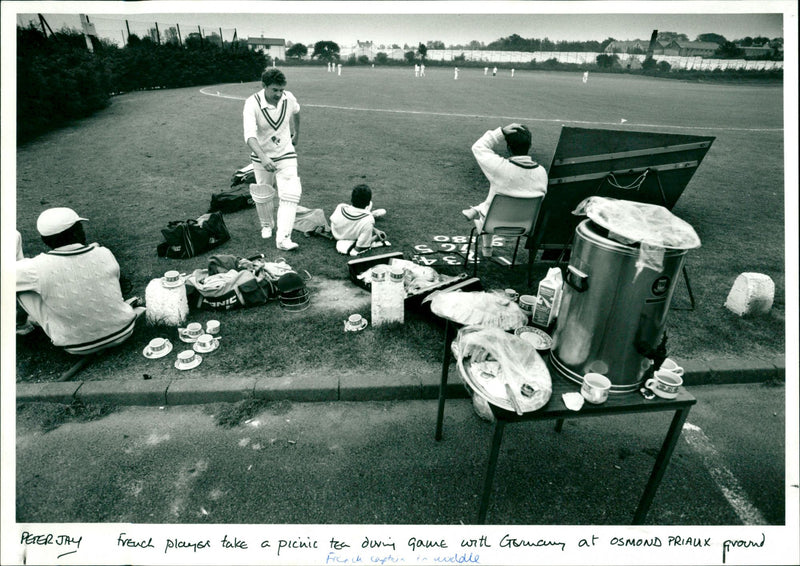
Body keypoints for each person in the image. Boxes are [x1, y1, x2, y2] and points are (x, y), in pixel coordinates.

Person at [16, 207, 145, 354]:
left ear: (44, 240)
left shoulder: (34, 268)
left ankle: (22, 325)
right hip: (124, 330)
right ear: (76, 232)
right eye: (80, 228)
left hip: (76, 346)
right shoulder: (104, 253)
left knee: (19, 285)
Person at [462, 123, 548, 257]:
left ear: (508, 147)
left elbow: (478, 147)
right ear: (529, 146)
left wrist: (501, 132)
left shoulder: (499, 167)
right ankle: (477, 209)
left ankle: (485, 242)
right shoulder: (542, 172)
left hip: (493, 223)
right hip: (526, 225)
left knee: (493, 202)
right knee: (502, 196)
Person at [243, 68, 302, 250]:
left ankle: (283, 239)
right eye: (274, 90)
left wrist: (297, 133)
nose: (278, 94)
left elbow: (297, 112)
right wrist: (263, 157)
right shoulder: (251, 103)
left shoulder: (289, 98)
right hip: (262, 154)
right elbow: (249, 136)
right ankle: (267, 224)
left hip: (286, 152)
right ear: (264, 86)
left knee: (291, 193)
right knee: (263, 194)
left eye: (281, 90)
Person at [330, 184, 389, 256]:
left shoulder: (341, 206)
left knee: (367, 214)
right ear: (367, 203)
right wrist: (376, 238)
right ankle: (370, 213)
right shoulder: (368, 220)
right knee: (369, 214)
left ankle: (369, 213)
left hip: (336, 233)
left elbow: (347, 222)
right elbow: (360, 247)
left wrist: (375, 230)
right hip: (349, 235)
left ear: (351, 199)